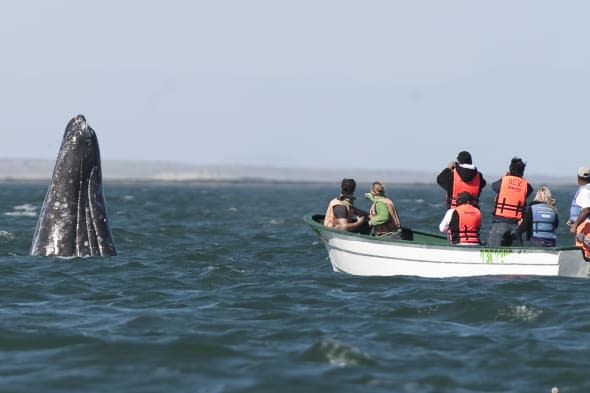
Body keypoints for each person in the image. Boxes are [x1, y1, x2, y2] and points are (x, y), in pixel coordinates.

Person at [487, 157, 533, 247]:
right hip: (516, 224)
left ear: (510, 169)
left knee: (492, 248)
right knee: (516, 251)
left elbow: (494, 186)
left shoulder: (504, 180)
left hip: (500, 221)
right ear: (522, 171)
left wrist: (503, 177)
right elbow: (529, 191)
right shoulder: (525, 185)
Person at [567, 167, 590, 259]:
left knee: (584, 251)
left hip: (585, 227)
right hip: (583, 224)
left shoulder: (585, 191)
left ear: (578, 178)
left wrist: (575, 225)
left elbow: (586, 210)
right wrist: (573, 220)